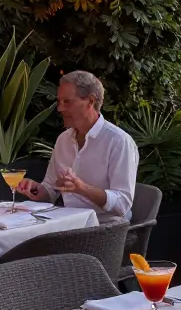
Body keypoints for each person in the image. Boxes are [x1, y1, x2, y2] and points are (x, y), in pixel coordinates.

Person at [17, 71, 139, 222]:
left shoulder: (119, 141)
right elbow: (51, 189)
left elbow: (122, 204)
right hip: (69, 223)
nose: (60, 109)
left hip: (106, 229)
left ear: (90, 101)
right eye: (59, 102)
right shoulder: (63, 140)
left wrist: (82, 188)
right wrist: (37, 189)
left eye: (67, 102)